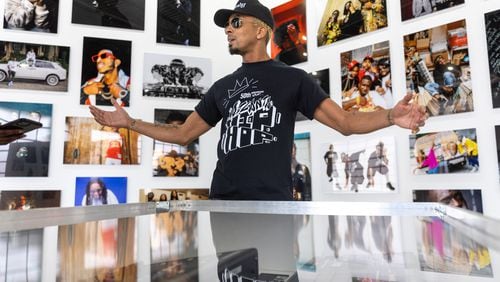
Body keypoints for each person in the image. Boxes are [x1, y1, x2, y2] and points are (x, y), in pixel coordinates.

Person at [90, 0, 426, 201]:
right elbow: (183, 135)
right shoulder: (222, 87)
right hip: (223, 202)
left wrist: (389, 117)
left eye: (235, 23)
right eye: (227, 26)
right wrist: (130, 123)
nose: (228, 30)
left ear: (261, 30)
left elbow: (346, 123)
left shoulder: (293, 79)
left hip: (273, 204)